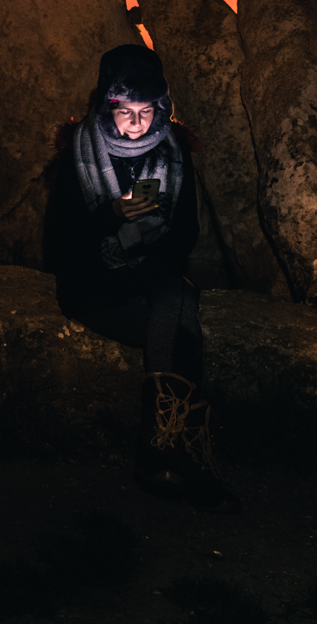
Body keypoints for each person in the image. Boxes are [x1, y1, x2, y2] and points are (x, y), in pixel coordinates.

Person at [45, 44, 240, 513]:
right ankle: (189, 457)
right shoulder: (78, 153)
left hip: (151, 281)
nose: (136, 123)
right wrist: (111, 216)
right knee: (181, 321)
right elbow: (60, 243)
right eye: (125, 111)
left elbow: (186, 232)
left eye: (146, 111)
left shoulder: (175, 152)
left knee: (173, 301)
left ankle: (162, 453)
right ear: (107, 107)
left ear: (162, 107)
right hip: (94, 287)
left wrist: (147, 257)